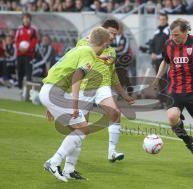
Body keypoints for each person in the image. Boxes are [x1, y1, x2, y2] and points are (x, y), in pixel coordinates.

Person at [39, 27, 110, 182]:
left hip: (49, 90)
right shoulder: (89, 54)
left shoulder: (79, 49)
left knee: (77, 131)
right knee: (83, 129)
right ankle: (54, 162)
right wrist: (75, 105)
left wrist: (49, 104)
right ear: (104, 44)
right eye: (106, 44)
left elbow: (56, 69)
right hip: (56, 93)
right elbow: (76, 78)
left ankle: (69, 169)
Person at [153, 18, 193, 169]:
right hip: (175, 90)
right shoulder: (168, 44)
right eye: (172, 35)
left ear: (186, 31)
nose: (174, 38)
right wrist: (157, 77)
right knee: (171, 116)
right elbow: (165, 61)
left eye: (177, 35)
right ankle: (189, 141)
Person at [76, 19, 134, 163]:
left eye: (115, 34)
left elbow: (113, 75)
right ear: (102, 30)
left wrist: (124, 95)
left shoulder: (112, 51)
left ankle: (112, 152)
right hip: (85, 87)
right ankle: (69, 154)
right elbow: (75, 61)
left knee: (115, 113)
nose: (113, 36)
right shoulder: (84, 43)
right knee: (82, 126)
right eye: (111, 33)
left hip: (103, 87)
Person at [149, 13, 170, 108]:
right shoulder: (157, 31)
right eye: (160, 19)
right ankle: (161, 102)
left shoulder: (168, 31)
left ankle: (166, 102)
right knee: (158, 81)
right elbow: (152, 43)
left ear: (166, 20)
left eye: (163, 19)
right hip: (156, 60)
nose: (162, 21)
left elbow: (168, 45)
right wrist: (152, 52)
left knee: (164, 81)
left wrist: (161, 55)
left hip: (164, 60)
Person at [15, 12, 38, 89]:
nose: (26, 20)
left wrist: (27, 48)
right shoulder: (19, 29)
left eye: (27, 18)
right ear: (22, 20)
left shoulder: (33, 29)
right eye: (24, 18)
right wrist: (19, 48)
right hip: (19, 53)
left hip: (29, 54)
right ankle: (20, 87)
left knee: (28, 71)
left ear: (30, 19)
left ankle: (28, 89)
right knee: (20, 71)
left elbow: (34, 41)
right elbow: (16, 40)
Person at [112, 22, 133, 96]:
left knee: (122, 73)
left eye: (120, 28)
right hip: (116, 57)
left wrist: (114, 50)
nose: (118, 30)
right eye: (117, 28)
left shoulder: (125, 38)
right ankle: (124, 90)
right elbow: (109, 48)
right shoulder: (112, 37)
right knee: (118, 74)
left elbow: (125, 49)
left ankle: (127, 89)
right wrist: (117, 49)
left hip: (124, 58)